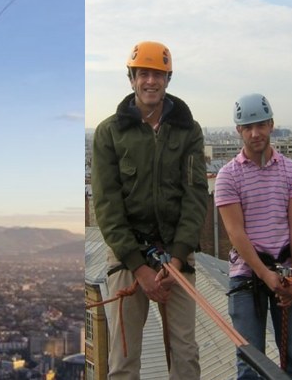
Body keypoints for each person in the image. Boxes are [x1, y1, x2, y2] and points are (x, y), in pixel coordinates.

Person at [91, 41, 208, 380]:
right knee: (124, 359)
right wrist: (139, 267)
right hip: (130, 255)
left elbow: (195, 195)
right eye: (144, 74)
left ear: (167, 80)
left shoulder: (188, 131)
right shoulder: (110, 133)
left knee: (185, 353)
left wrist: (177, 258)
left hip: (176, 251)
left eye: (158, 74)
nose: (151, 82)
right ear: (132, 80)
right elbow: (106, 204)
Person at [215, 93, 292, 380]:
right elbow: (236, 233)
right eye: (248, 128)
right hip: (248, 274)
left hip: (286, 268)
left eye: (260, 125)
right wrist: (265, 274)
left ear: (271, 125)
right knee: (250, 364)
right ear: (238, 131)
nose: (255, 133)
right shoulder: (228, 176)